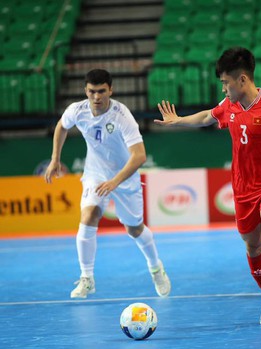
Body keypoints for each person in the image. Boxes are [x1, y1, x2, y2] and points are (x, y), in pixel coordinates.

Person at [154, 47, 261, 324]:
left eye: (225, 82)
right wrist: (179, 121)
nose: (223, 88)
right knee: (252, 247)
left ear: (242, 80)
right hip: (243, 187)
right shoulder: (229, 106)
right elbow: (207, 116)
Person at [45, 69, 171, 299]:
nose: (96, 97)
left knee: (134, 229)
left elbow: (139, 156)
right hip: (95, 174)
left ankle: (156, 268)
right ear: (85, 90)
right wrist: (55, 159)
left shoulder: (121, 115)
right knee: (89, 215)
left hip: (124, 177)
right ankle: (87, 278)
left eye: (101, 91)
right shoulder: (77, 110)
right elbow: (62, 126)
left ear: (110, 90)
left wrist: (115, 181)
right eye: (92, 91)